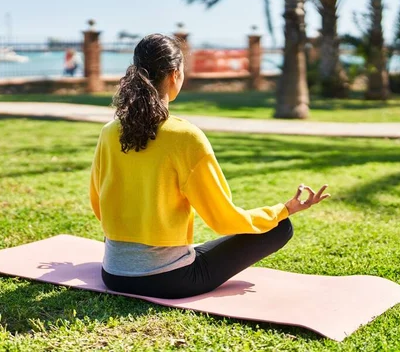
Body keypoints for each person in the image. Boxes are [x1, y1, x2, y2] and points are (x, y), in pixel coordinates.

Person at [90, 34, 329, 299]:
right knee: (280, 227)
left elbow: (98, 203)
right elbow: (223, 219)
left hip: (112, 274)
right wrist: (283, 210)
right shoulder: (186, 137)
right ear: (175, 74)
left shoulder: (109, 132)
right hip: (169, 281)